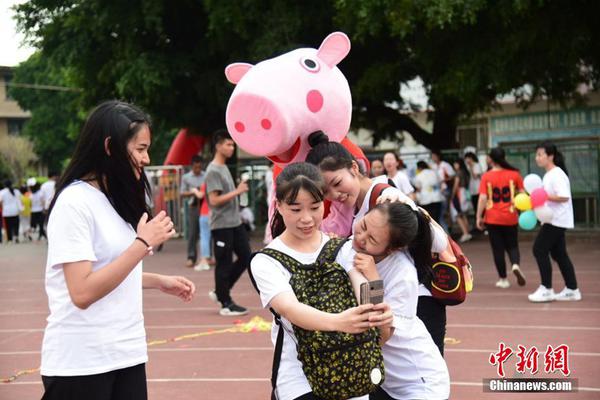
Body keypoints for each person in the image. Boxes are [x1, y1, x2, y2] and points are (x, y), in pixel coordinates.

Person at [40, 100, 195, 400]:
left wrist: (157, 281)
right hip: (81, 362)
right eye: (140, 149)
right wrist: (142, 244)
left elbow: (110, 271)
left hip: (126, 353)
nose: (147, 158)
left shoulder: (115, 199)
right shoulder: (75, 203)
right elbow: (82, 292)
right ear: (110, 147)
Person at [251, 162, 392, 400]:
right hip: (298, 377)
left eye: (315, 207)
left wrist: (377, 311)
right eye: (296, 210)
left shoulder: (342, 247)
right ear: (279, 206)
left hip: (351, 366)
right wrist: (339, 321)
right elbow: (290, 309)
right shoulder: (265, 261)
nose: (307, 219)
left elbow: (363, 284)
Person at [306, 132, 450, 356]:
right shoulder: (351, 207)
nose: (335, 194)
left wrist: (413, 209)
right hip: (388, 302)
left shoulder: (386, 197)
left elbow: (439, 243)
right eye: (326, 192)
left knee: (416, 373)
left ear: (354, 168)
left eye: (337, 183)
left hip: (418, 302)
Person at [339, 202, 451, 400]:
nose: (360, 237)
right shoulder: (351, 247)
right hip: (386, 381)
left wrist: (374, 280)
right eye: (363, 225)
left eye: (371, 238)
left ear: (392, 248)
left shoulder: (403, 274)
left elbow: (380, 335)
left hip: (420, 384)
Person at [205, 129, 251, 316]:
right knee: (223, 263)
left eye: (233, 144)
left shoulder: (224, 167)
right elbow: (214, 200)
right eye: (228, 144)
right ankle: (225, 303)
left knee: (246, 256)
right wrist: (238, 191)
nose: (232, 148)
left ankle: (220, 291)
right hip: (221, 224)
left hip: (234, 222)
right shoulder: (213, 170)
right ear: (218, 146)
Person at [528, 141, 581, 302]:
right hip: (552, 219)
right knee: (559, 254)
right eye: (536, 155)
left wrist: (543, 196)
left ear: (550, 156)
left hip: (557, 220)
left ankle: (546, 288)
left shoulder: (556, 174)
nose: (537, 158)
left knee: (539, 249)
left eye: (540, 154)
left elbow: (564, 196)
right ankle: (572, 289)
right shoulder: (549, 174)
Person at [476, 147, 525, 289]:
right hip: (510, 216)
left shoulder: (486, 176)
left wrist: (479, 216)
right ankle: (515, 264)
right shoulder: (515, 174)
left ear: (491, 159)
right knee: (513, 245)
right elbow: (522, 194)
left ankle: (503, 279)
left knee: (498, 249)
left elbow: (483, 198)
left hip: (492, 217)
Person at [180, 155, 206, 268]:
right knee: (192, 233)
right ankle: (191, 257)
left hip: (205, 206)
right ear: (192, 166)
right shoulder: (186, 177)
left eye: (199, 167)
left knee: (206, 233)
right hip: (193, 207)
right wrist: (193, 192)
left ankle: (207, 257)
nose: (197, 169)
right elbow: (182, 193)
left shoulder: (206, 175)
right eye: (196, 167)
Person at [431, 150, 455, 233]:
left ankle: (449, 229)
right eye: (432, 156)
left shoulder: (445, 165)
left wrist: (444, 180)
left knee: (445, 210)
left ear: (438, 156)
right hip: (438, 191)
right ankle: (448, 228)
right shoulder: (433, 166)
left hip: (445, 189)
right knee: (443, 211)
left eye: (434, 156)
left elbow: (452, 176)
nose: (433, 158)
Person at [413, 161, 444, 225]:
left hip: (426, 201)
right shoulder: (434, 173)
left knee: (430, 222)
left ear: (419, 168)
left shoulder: (419, 176)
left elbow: (418, 189)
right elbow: (440, 183)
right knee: (438, 220)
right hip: (437, 199)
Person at [450, 159, 472, 243]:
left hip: (459, 193)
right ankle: (467, 232)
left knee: (458, 214)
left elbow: (456, 185)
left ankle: (465, 233)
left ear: (458, 164)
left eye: (455, 164)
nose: (454, 166)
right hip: (465, 192)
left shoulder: (459, 173)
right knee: (464, 214)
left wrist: (452, 195)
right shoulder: (466, 172)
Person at [194, 181, 213, 271]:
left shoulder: (206, 183)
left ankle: (204, 261)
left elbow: (200, 195)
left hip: (205, 212)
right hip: (215, 213)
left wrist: (194, 190)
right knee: (211, 237)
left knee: (204, 237)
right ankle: (209, 259)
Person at [464, 152, 482, 216]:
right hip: (472, 190)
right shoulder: (468, 166)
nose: (466, 160)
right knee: (475, 207)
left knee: (478, 207)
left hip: (478, 190)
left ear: (471, 158)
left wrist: (471, 167)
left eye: (467, 158)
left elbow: (475, 176)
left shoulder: (477, 165)